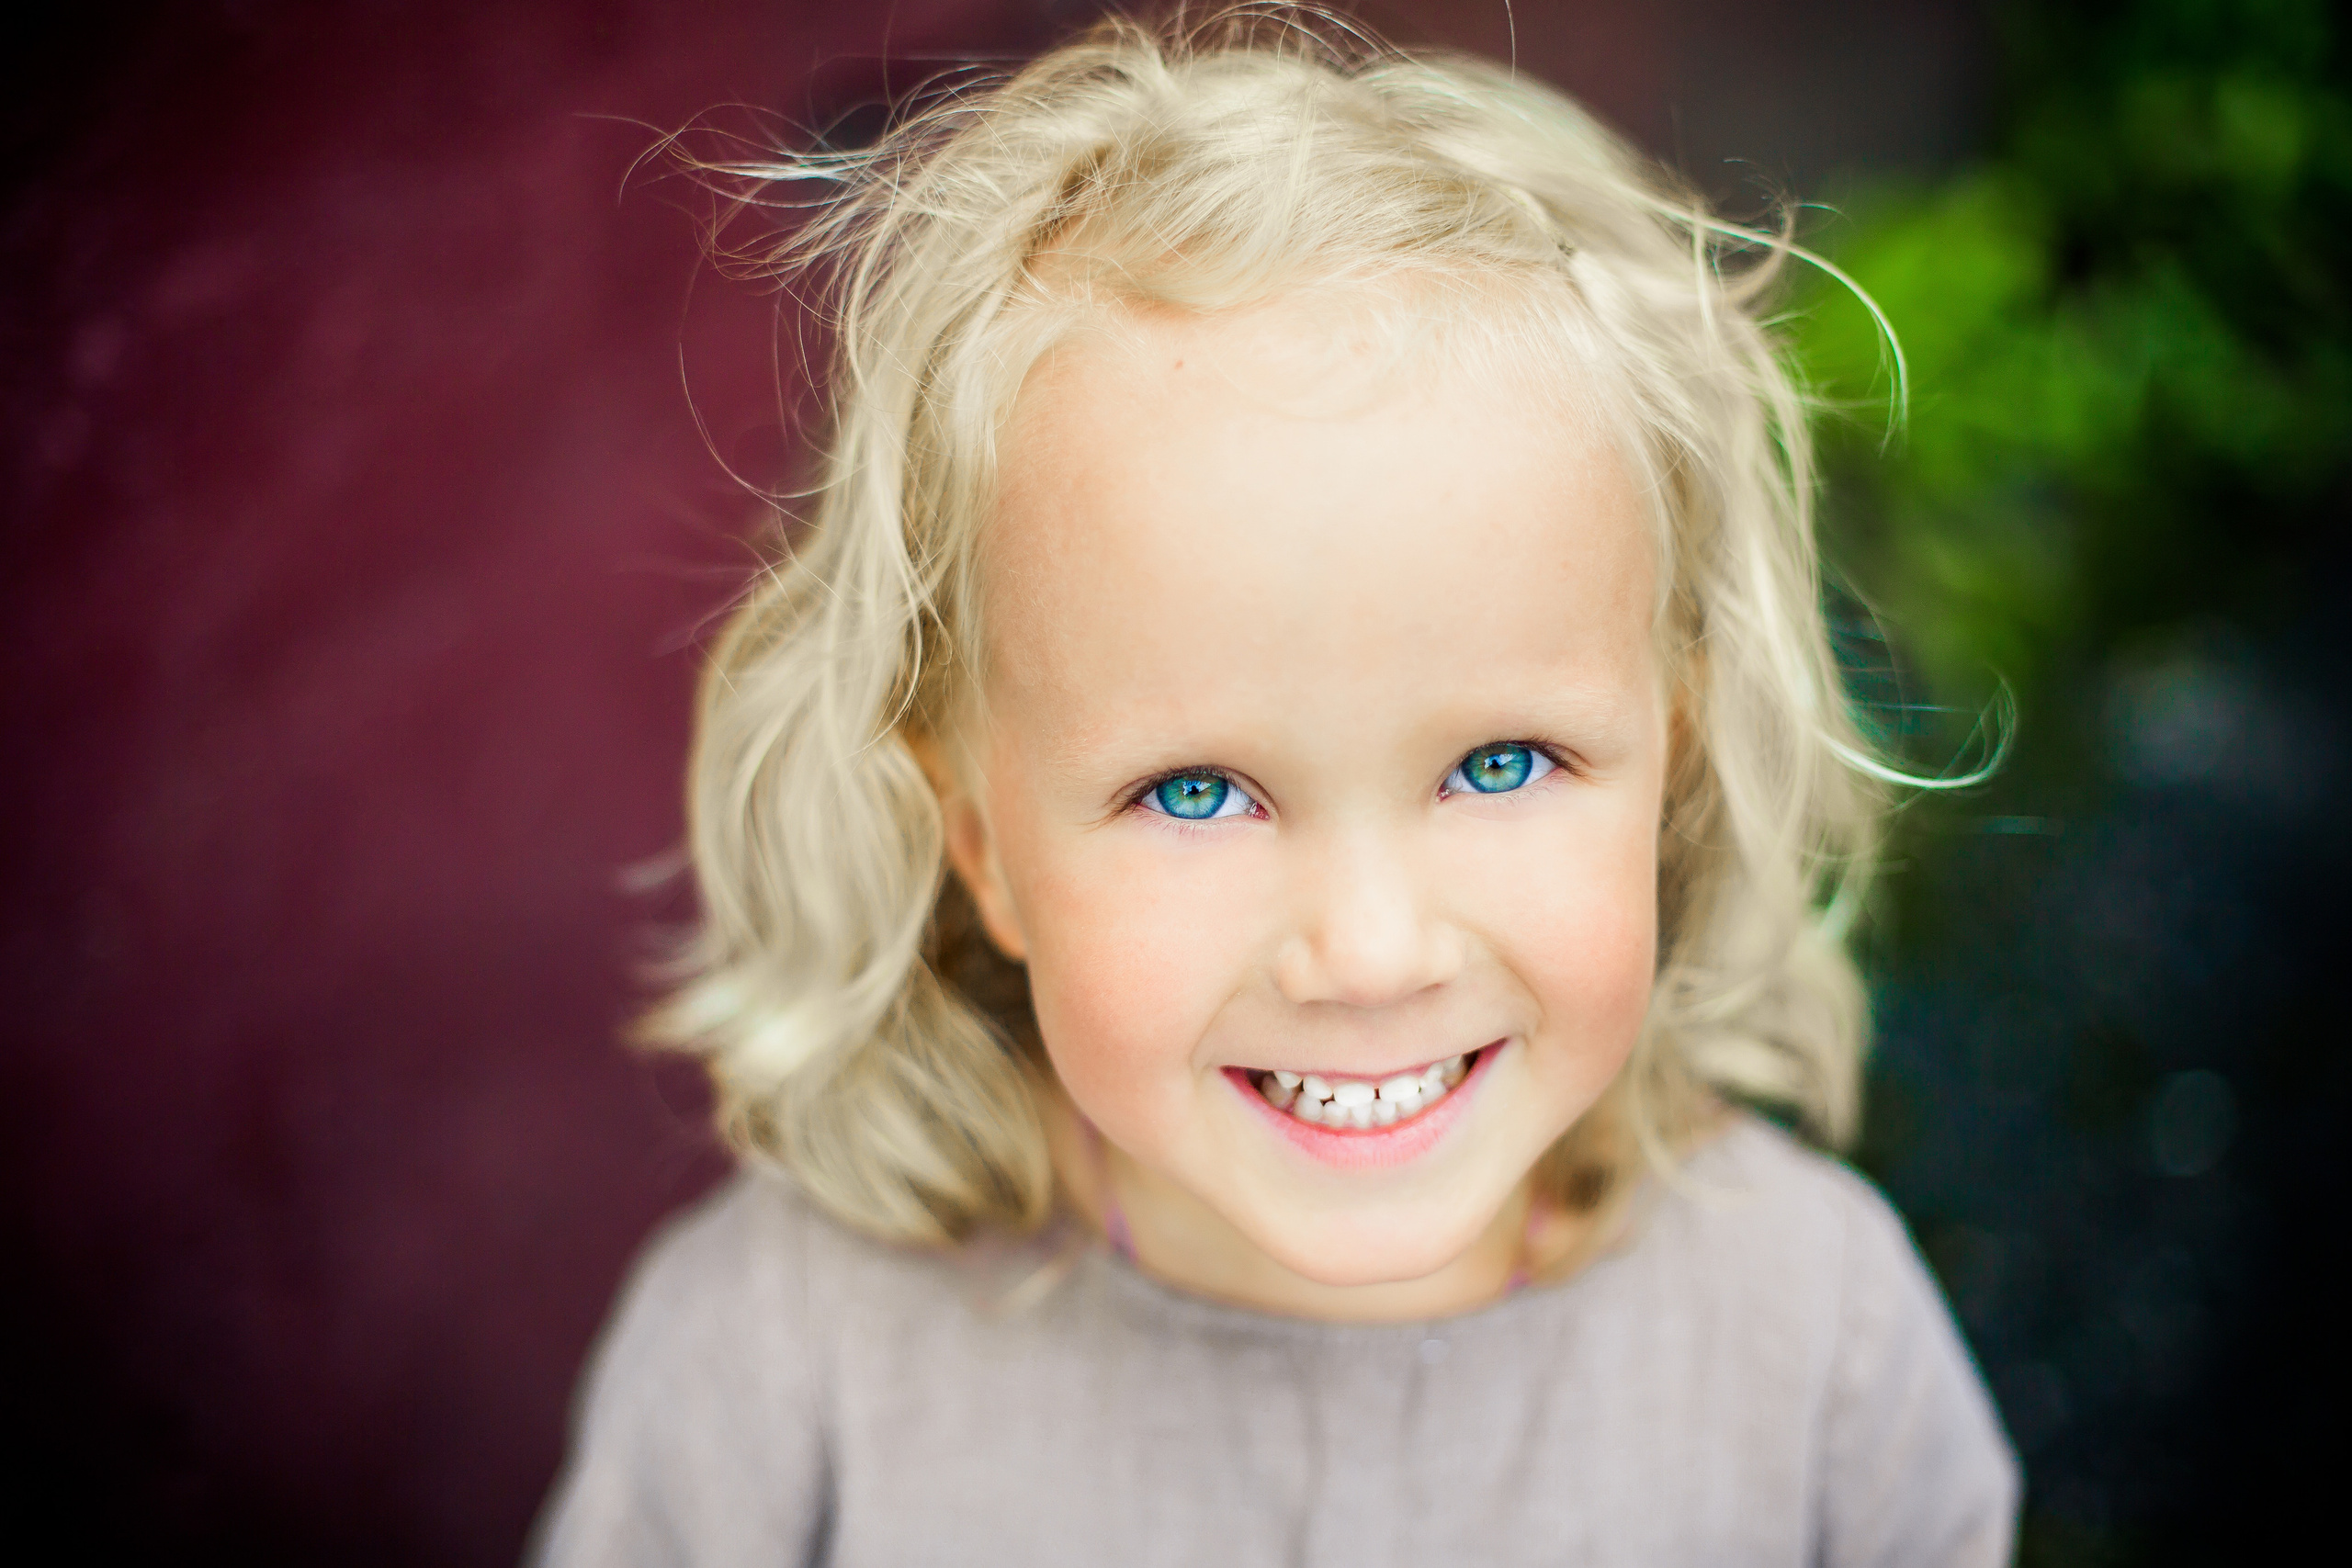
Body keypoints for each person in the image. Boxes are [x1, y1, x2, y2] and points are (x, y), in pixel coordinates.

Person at [533, 10, 2018, 1563]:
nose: (1370, 953)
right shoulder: (782, 1372)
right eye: (1196, 794)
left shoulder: (1816, 1346)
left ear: (1677, 762)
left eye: (1500, 764)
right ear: (977, 840)